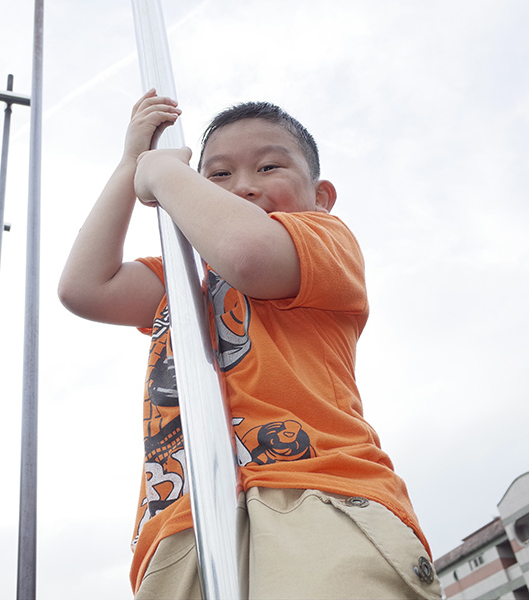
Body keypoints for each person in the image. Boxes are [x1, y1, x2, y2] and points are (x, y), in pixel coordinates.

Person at [58, 89, 441, 600]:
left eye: (268, 168)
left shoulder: (323, 242)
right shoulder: (184, 289)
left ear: (321, 195)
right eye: (217, 175)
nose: (242, 187)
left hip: (319, 495)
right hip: (180, 524)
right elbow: (84, 287)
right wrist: (132, 166)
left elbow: (248, 254)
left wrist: (165, 175)